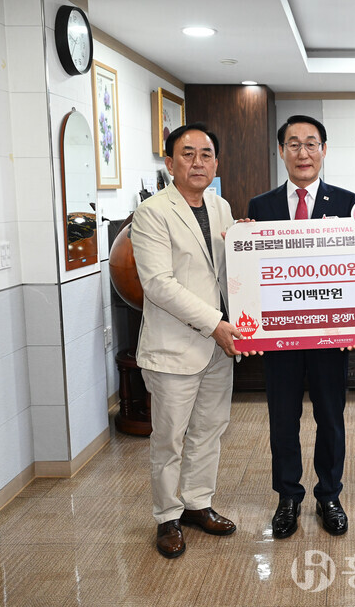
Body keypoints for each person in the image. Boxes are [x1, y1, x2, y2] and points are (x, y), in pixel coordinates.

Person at [131, 123, 245, 559]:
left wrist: (247, 241)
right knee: (169, 439)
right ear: (169, 162)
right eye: (188, 154)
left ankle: (198, 503)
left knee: (209, 430)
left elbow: (226, 270)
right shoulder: (152, 212)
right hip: (175, 347)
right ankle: (167, 516)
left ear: (216, 162)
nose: (198, 162)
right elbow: (159, 284)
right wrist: (215, 323)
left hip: (218, 345)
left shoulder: (220, 206)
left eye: (206, 154)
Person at [247, 115, 355, 539]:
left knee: (331, 418)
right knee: (283, 420)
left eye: (311, 143)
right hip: (281, 336)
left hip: (330, 336)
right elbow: (253, 270)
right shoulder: (261, 206)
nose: (303, 152)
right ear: (281, 151)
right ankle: (288, 497)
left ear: (324, 150)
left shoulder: (348, 203)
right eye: (293, 144)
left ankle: (329, 494)